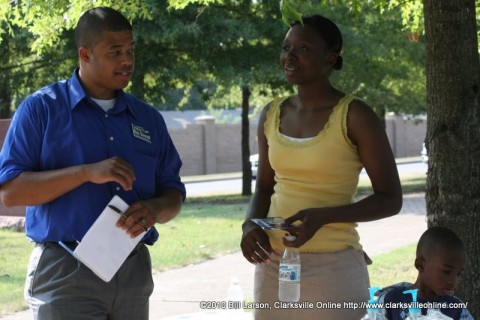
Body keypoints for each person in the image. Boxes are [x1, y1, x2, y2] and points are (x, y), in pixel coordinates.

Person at [0, 7, 185, 320]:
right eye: (115, 52)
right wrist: (86, 172)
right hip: (65, 269)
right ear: (85, 54)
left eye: (130, 50)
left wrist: (155, 209)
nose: (127, 60)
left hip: (133, 270)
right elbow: (10, 193)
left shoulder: (149, 119)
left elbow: (174, 193)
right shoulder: (41, 109)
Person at [240, 14, 402, 319]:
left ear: (330, 58)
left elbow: (390, 198)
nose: (290, 55)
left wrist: (324, 217)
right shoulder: (271, 114)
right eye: (286, 47)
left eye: (302, 48)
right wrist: (250, 224)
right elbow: (264, 186)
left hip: (334, 265)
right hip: (274, 264)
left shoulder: (355, 115)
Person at [378, 226, 474, 320]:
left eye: (458, 274)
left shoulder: (456, 309)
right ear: (421, 265)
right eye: (447, 271)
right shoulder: (391, 300)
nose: (453, 280)